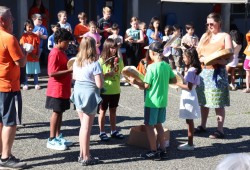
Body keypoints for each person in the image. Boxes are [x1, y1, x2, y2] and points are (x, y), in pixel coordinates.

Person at [129, 42, 176, 160]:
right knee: (159, 125)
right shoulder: (166, 65)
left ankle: (153, 151)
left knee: (149, 126)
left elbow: (146, 86)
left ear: (152, 53)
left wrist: (135, 82)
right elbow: (174, 79)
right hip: (162, 101)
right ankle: (163, 150)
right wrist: (162, 82)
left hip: (152, 102)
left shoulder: (151, 67)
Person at [195, 13, 233, 139]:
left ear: (219, 23)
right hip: (204, 72)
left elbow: (230, 55)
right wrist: (200, 57)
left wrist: (223, 61)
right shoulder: (205, 36)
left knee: (218, 102)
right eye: (208, 24)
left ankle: (220, 130)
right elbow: (199, 52)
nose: (209, 26)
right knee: (203, 101)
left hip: (217, 72)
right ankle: (203, 125)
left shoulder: (225, 36)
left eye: (212, 23)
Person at [0, 6, 27, 169]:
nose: (14, 20)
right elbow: (21, 62)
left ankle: (1, 153)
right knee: (10, 122)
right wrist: (25, 51)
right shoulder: (9, 38)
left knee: (0, 122)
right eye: (11, 17)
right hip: (9, 86)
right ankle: (5, 157)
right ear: (2, 20)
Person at [70, 36, 103, 166]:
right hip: (89, 94)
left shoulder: (76, 62)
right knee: (86, 128)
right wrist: (102, 75)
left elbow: (73, 78)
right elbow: (99, 85)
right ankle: (86, 157)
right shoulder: (95, 64)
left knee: (82, 126)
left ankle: (81, 154)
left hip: (78, 92)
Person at [45, 28, 74, 150]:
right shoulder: (55, 53)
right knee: (56, 113)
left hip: (63, 89)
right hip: (56, 89)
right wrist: (69, 71)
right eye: (66, 42)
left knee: (61, 112)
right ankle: (51, 139)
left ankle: (57, 136)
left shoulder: (62, 51)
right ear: (59, 40)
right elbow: (51, 73)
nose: (68, 44)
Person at [98, 38, 124, 142]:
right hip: (105, 90)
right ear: (107, 48)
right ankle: (102, 131)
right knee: (102, 111)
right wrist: (107, 74)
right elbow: (97, 76)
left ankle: (113, 130)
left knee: (113, 110)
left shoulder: (119, 60)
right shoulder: (101, 61)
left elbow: (123, 72)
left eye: (115, 48)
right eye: (112, 48)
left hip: (116, 89)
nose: (114, 50)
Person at [176, 48, 201, 151]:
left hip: (189, 95)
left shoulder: (191, 71)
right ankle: (190, 142)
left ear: (190, 58)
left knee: (189, 121)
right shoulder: (194, 69)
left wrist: (177, 83)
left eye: (185, 57)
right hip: (192, 95)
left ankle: (190, 144)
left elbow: (189, 87)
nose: (183, 58)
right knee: (189, 120)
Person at [20, 19, 41, 90]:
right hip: (27, 57)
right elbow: (24, 46)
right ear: (25, 27)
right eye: (28, 27)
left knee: (35, 72)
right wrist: (32, 54)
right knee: (27, 72)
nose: (30, 28)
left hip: (35, 57)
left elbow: (38, 46)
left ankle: (36, 83)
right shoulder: (24, 36)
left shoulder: (36, 36)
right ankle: (26, 83)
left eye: (31, 27)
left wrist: (38, 54)